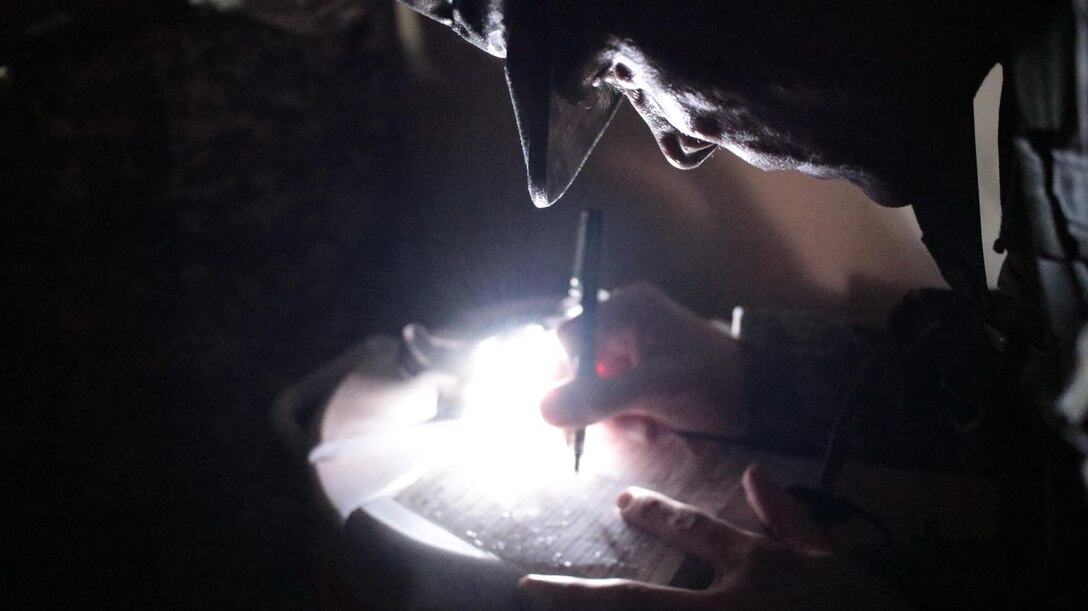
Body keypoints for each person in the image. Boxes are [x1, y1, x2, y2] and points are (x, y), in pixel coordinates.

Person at [396, 0, 1088, 608]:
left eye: (627, 75)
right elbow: (1046, 423)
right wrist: (754, 374)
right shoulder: (1054, 66)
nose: (679, 145)